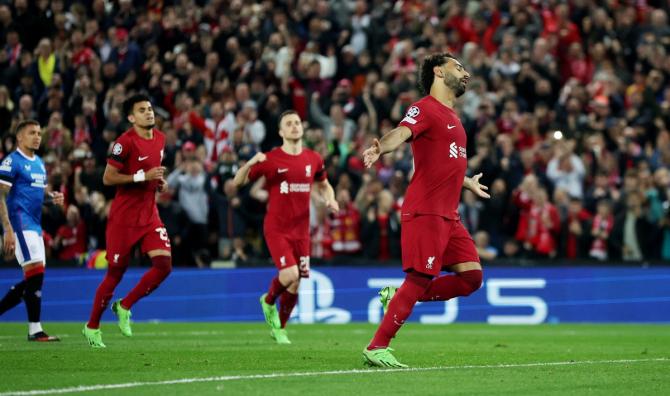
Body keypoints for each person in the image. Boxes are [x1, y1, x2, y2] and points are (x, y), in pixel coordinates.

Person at [361, 52, 489, 367]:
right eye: (458, 66)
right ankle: (377, 346)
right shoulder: (424, 108)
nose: (466, 72)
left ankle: (398, 295)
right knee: (419, 277)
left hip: (449, 215)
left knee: (471, 277)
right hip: (426, 211)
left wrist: (466, 182)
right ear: (438, 72)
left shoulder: (455, 119)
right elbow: (401, 133)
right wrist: (382, 148)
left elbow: (442, 164)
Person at [233, 110, 338, 344]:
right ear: (281, 131)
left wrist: (331, 198)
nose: (294, 126)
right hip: (277, 228)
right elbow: (237, 182)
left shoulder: (313, 158)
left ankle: (280, 327)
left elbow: (324, 185)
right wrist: (250, 162)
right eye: (288, 124)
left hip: (301, 232)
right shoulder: (270, 159)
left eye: (297, 122)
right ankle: (268, 301)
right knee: (289, 274)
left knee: (296, 281)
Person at [82, 94, 172, 348]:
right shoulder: (124, 143)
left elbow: (151, 174)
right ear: (131, 118)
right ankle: (92, 327)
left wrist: (158, 183)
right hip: (124, 218)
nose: (149, 113)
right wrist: (143, 176)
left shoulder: (161, 139)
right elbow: (108, 178)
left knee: (164, 265)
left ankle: (124, 305)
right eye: (142, 110)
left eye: (150, 108)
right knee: (115, 274)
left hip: (149, 214)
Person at [0, 120, 64, 341]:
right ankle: (35, 330)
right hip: (19, 223)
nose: (37, 136)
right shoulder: (11, 162)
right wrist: (7, 229)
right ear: (19, 137)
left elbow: (37, 196)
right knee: (35, 274)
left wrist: (51, 198)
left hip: (35, 225)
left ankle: (34, 329)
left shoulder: (38, 162)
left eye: (39, 133)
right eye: (31, 133)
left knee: (35, 278)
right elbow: (1, 195)